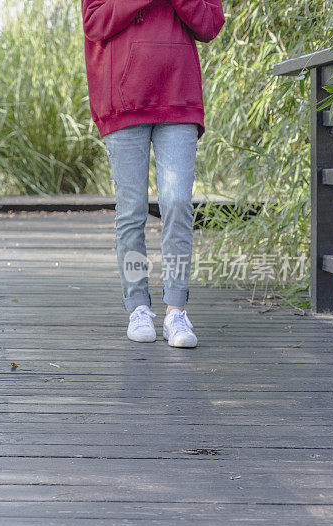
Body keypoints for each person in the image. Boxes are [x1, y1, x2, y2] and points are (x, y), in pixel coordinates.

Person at [81, 0, 225, 348]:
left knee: (177, 203)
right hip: (123, 100)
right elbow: (95, 22)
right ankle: (138, 307)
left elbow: (210, 24)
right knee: (131, 210)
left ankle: (176, 310)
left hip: (179, 98)